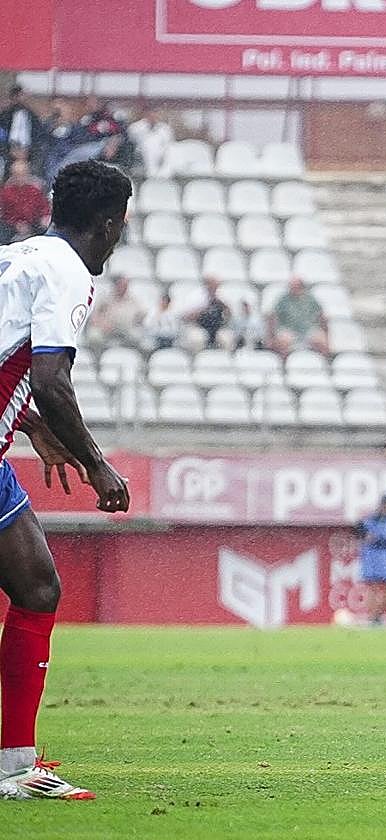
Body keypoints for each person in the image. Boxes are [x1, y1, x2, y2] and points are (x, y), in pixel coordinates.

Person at [0, 160, 132, 800]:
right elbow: (51, 377)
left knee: (37, 585)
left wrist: (27, 426)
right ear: (112, 224)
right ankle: (14, 768)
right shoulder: (68, 273)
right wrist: (96, 464)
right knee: (37, 588)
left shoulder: (16, 256)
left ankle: (15, 765)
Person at [354, 494, 386, 626]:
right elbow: (358, 530)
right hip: (371, 556)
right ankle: (372, 617)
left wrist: (377, 539)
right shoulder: (369, 520)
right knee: (373, 587)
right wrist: (365, 535)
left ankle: (378, 614)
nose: (385, 509)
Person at [268, 277, 328, 356]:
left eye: (295, 286)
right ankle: (285, 364)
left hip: (308, 329)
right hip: (289, 329)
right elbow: (273, 316)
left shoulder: (310, 299)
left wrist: (325, 331)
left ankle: (322, 363)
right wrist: (271, 336)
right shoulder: (283, 299)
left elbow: (321, 315)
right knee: (282, 342)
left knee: (321, 341)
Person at [86, 274, 144, 348]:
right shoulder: (105, 298)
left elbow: (142, 315)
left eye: (126, 285)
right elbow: (93, 316)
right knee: (94, 336)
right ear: (116, 285)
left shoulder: (133, 300)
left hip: (126, 329)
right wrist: (102, 324)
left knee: (137, 336)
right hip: (106, 329)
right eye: (122, 285)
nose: (124, 288)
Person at [0, 161, 50, 244]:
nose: (20, 178)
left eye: (23, 175)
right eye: (18, 175)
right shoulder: (5, 193)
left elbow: (44, 208)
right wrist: (15, 223)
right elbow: (3, 213)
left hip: (33, 224)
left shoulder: (34, 191)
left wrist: (44, 217)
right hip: (11, 227)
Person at [182, 275, 231, 351]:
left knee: (227, 339)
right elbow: (186, 317)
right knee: (198, 339)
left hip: (217, 327)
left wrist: (222, 304)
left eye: (216, 286)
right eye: (212, 285)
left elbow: (229, 315)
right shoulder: (195, 296)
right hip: (198, 326)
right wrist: (204, 308)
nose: (214, 287)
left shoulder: (221, 295)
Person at [126, 108, 174, 178]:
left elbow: (168, 144)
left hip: (160, 155)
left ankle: (162, 174)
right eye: (150, 115)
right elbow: (131, 141)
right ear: (146, 115)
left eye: (154, 115)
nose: (152, 117)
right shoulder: (136, 128)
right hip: (141, 154)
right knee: (149, 145)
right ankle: (151, 173)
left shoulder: (164, 129)